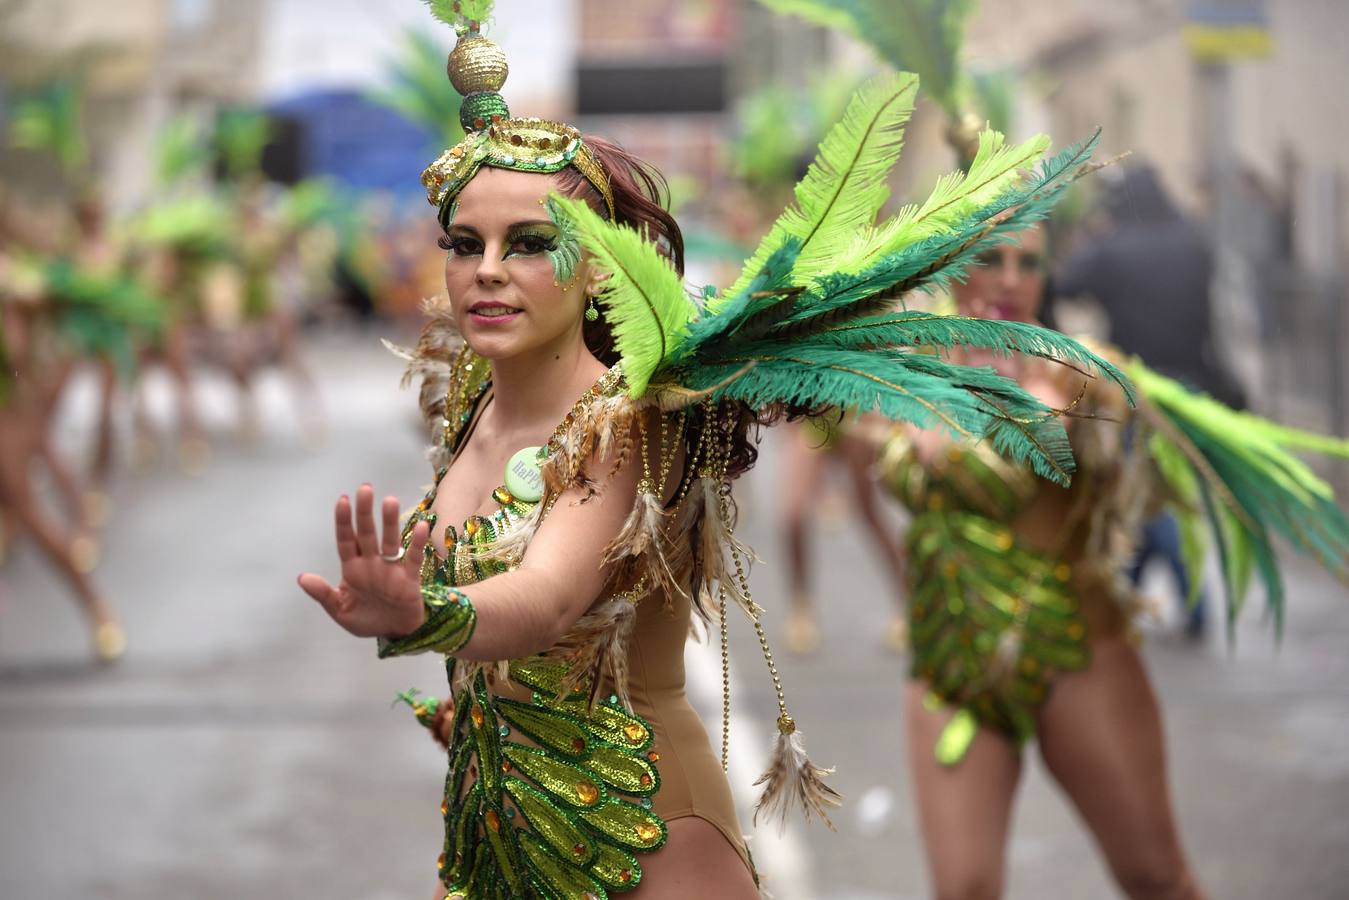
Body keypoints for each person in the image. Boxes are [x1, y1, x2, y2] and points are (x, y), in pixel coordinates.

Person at [296, 3, 1128, 895]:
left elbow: (546, 595)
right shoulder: (470, 408)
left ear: (599, 271)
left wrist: (427, 617)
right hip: (497, 821)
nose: (487, 268)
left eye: (531, 244)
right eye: (466, 244)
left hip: (641, 827)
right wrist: (483, 710)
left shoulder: (624, 419)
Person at [882, 224, 1349, 900]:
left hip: (1075, 654)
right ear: (954, 267)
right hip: (949, 666)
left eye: (1029, 262)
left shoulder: (1074, 373)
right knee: (961, 891)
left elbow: (1067, 426)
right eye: (991, 259)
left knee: (1156, 879)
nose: (1011, 278)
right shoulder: (902, 369)